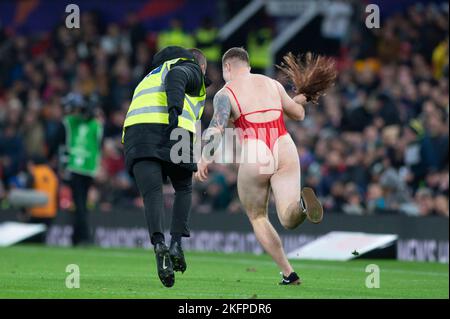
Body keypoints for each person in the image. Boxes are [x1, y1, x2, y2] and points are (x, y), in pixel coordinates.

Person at [196, 47, 335, 285]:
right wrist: (300, 98)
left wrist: (205, 156)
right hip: (284, 145)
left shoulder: (224, 93)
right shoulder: (272, 84)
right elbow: (298, 114)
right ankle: (302, 206)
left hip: (256, 150)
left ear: (227, 67)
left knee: (258, 216)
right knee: (288, 218)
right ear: (248, 65)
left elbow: (217, 127)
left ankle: (289, 272)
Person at [122, 46, 208, 288]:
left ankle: (158, 243)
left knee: (152, 193)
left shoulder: (147, 78)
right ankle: (176, 243)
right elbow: (177, 78)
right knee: (183, 187)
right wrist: (174, 109)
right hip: (173, 129)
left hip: (136, 133)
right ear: (201, 66)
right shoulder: (188, 67)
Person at [61, 92, 103, 246]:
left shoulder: (74, 122)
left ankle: (78, 237)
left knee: (80, 204)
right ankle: (82, 237)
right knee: (81, 204)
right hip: (86, 168)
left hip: (79, 168)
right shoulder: (94, 125)